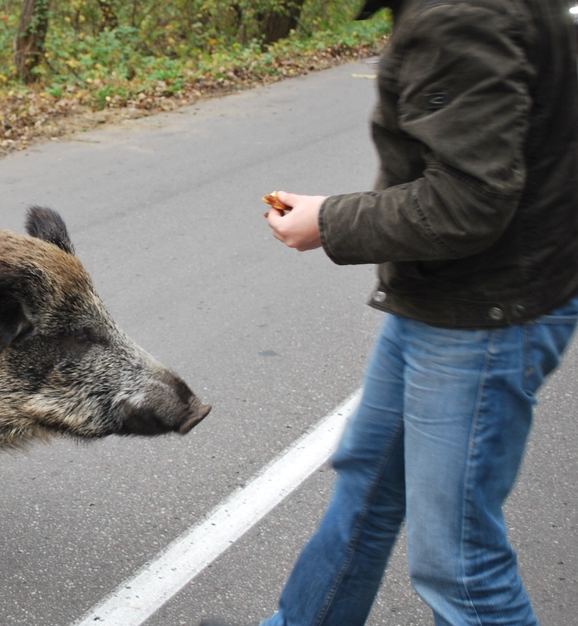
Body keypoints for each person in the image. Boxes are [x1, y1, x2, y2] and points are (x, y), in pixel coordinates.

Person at [202, 0, 578, 624]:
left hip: (482, 315)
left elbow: (468, 201)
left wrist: (328, 220)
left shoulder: (460, 16)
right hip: (449, 297)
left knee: (458, 565)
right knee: (367, 485)